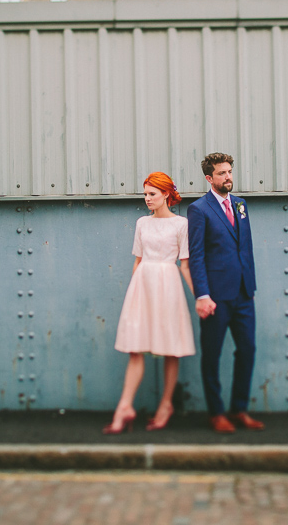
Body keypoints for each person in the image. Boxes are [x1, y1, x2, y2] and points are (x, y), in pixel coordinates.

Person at [104, 172, 196, 434]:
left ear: (166, 194)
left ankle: (166, 404)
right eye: (145, 194)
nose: (147, 199)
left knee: (170, 348)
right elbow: (138, 260)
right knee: (136, 346)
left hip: (168, 284)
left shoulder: (181, 224)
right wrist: (133, 293)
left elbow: (185, 266)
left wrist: (200, 297)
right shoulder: (142, 223)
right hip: (142, 285)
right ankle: (124, 407)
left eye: (152, 194)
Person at [187, 153, 264, 433]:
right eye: (222, 173)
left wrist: (250, 287)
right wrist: (202, 295)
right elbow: (196, 256)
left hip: (243, 295)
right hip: (216, 297)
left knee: (247, 350)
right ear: (209, 178)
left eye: (230, 171)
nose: (228, 177)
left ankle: (239, 409)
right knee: (212, 354)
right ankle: (217, 413)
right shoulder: (199, 209)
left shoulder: (241, 205)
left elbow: (246, 248)